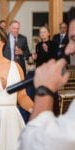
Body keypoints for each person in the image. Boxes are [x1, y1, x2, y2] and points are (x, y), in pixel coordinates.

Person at [19, 6, 75, 150]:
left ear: (49, 34)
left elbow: (35, 143)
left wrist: (45, 89)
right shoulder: (37, 45)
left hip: (48, 75)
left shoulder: (53, 43)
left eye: (74, 39)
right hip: (40, 72)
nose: (69, 49)